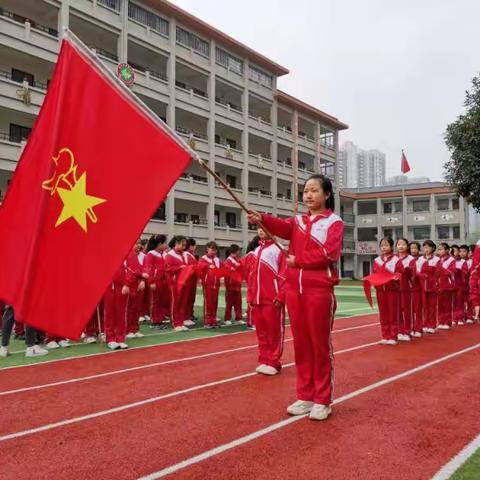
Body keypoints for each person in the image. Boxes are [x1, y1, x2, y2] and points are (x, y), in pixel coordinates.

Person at [248, 174, 344, 421]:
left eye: (314, 190)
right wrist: (262, 218)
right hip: (294, 292)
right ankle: (305, 395)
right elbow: (282, 227)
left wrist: (299, 261)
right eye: (305, 191)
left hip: (319, 291)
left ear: (327, 194)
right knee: (301, 345)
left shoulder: (334, 222)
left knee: (319, 346)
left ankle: (323, 399)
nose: (309, 195)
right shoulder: (299, 222)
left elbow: (330, 254)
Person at [248, 229, 286, 375]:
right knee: (261, 333)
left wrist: (281, 295)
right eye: (258, 227)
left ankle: (274, 362)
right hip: (257, 299)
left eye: (264, 226)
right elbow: (252, 275)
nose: (260, 230)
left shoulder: (279, 249)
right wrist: (250, 296)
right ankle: (264, 359)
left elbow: (285, 275)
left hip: (272, 298)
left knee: (274, 332)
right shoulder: (257, 250)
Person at [373, 237, 402, 345]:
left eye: (386, 245)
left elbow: (400, 273)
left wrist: (395, 277)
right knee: (383, 313)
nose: (384, 247)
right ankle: (385, 335)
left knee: (392, 313)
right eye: (382, 245)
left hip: (392, 290)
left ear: (391, 246)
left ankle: (393, 336)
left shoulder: (396, 260)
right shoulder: (377, 260)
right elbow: (375, 274)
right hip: (380, 290)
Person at [104, 258, 136, 349]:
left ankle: (120, 338)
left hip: (121, 287)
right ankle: (110, 339)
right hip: (109, 287)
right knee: (109, 313)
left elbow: (131, 269)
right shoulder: (106, 256)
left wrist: (127, 284)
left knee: (121, 313)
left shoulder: (126, 256)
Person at [165, 235, 189, 332]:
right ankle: (176, 323)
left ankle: (181, 322)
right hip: (174, 283)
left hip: (183, 282)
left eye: (185, 245)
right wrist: (179, 268)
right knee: (176, 303)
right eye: (182, 245)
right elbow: (167, 269)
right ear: (176, 243)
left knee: (182, 303)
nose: (184, 247)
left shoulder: (184, 254)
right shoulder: (170, 255)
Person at [145, 235, 170, 329]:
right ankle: (154, 321)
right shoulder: (151, 254)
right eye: (164, 243)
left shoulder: (162, 254)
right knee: (154, 301)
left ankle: (159, 320)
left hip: (163, 281)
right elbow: (149, 268)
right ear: (160, 244)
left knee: (160, 301)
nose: (166, 245)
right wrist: (151, 281)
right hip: (156, 281)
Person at [416, 240, 440, 334]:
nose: (426, 249)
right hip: (422, 286)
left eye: (428, 247)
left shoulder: (436, 259)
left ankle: (432, 325)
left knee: (432, 307)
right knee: (424, 307)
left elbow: (438, 272)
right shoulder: (420, 260)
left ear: (432, 248)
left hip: (433, 286)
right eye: (424, 247)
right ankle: (425, 324)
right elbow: (417, 271)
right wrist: (421, 275)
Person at [126, 241, 148, 339]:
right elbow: (131, 269)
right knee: (129, 308)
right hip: (129, 284)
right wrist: (141, 275)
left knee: (136, 308)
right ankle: (128, 330)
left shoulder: (137, 255)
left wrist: (142, 280)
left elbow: (141, 268)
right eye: (136, 242)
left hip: (137, 284)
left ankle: (135, 328)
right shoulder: (128, 254)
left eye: (139, 243)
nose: (138, 245)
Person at [198, 241, 222, 328]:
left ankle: (213, 320)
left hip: (216, 285)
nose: (213, 251)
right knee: (208, 303)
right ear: (207, 249)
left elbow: (224, 268)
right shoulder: (203, 259)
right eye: (212, 249)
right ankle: (207, 322)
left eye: (215, 250)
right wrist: (208, 266)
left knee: (214, 303)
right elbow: (199, 267)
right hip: (207, 284)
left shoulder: (217, 259)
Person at [396, 238, 415, 341]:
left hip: (406, 288)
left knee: (406, 310)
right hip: (395, 288)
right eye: (399, 244)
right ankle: (399, 330)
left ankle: (407, 331)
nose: (401, 246)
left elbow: (413, 274)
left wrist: (407, 272)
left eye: (403, 244)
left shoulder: (410, 259)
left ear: (407, 246)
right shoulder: (393, 258)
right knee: (397, 311)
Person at [436, 243, 456, 330]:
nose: (439, 251)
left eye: (441, 249)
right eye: (438, 249)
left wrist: (441, 268)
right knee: (440, 305)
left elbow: (451, 271)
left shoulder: (452, 260)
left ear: (447, 250)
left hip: (447, 285)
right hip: (439, 285)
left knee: (447, 304)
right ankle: (441, 321)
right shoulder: (438, 260)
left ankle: (447, 321)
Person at [242, 235, 260, 329]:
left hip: (256, 280)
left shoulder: (255, 254)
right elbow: (249, 269)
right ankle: (250, 322)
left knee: (255, 301)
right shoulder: (251, 255)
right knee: (252, 301)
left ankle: (254, 320)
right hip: (252, 280)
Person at [224, 244, 244, 325]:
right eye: (238, 250)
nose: (239, 252)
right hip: (230, 286)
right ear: (236, 251)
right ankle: (227, 319)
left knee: (238, 303)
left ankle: (238, 318)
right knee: (229, 303)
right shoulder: (228, 261)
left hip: (237, 285)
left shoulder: (236, 260)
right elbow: (227, 273)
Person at [409, 241, 423, 337]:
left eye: (415, 248)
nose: (413, 250)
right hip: (406, 289)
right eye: (411, 248)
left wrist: (416, 273)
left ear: (418, 249)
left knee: (417, 309)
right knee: (407, 310)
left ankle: (418, 328)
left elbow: (423, 274)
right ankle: (409, 328)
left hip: (417, 288)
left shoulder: (422, 260)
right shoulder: (407, 259)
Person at [453, 245, 470, 326]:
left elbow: (466, 273)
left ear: (468, 252)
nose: (462, 253)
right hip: (456, 285)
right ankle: (456, 317)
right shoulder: (455, 261)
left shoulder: (469, 261)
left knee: (465, 301)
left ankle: (466, 316)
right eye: (460, 251)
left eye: (464, 251)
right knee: (456, 302)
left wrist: (460, 271)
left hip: (465, 284)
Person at [184, 238, 198, 327]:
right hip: (188, 280)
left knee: (190, 299)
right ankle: (184, 317)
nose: (195, 247)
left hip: (192, 280)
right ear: (190, 246)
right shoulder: (186, 254)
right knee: (186, 299)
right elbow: (187, 267)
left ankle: (188, 316)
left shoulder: (192, 255)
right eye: (194, 245)